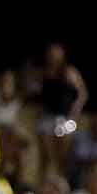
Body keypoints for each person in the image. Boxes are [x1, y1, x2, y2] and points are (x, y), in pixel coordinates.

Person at [31, 42, 86, 178]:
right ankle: (41, 184)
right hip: (45, 118)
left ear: (62, 54)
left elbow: (82, 94)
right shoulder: (43, 72)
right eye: (51, 52)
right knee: (45, 157)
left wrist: (74, 114)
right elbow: (38, 95)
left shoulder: (69, 72)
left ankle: (62, 184)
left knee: (62, 157)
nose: (53, 55)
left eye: (56, 52)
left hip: (65, 120)